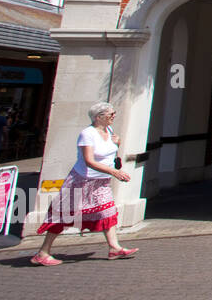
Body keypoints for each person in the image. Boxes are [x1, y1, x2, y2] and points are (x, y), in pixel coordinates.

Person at [31, 102, 137, 265]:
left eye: (114, 113)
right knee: (64, 214)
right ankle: (43, 253)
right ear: (98, 117)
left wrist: (118, 144)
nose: (114, 116)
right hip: (81, 180)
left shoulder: (109, 131)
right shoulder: (87, 134)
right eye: (110, 114)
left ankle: (114, 248)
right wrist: (115, 172)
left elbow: (109, 154)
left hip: (101, 182)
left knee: (107, 212)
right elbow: (89, 161)